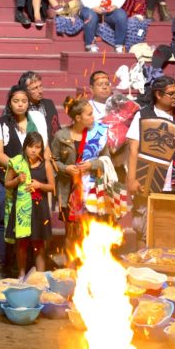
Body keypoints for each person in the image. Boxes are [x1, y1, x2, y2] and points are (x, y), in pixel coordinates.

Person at [127, 76, 175, 239]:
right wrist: (131, 179)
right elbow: (133, 147)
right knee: (144, 229)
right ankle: (142, 264)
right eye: (171, 94)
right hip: (148, 178)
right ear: (158, 95)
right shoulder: (143, 115)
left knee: (174, 228)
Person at [51, 92, 111, 250]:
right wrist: (66, 168)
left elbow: (106, 161)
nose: (94, 117)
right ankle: (70, 269)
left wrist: (92, 165)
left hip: (92, 191)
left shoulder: (97, 135)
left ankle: (90, 266)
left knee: (92, 231)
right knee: (71, 233)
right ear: (78, 118)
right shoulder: (61, 135)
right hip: (68, 191)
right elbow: (52, 161)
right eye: (89, 114)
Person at [0, 86, 32, 269]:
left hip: (30, 183)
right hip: (6, 181)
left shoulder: (34, 123)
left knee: (29, 222)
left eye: (24, 101)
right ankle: (6, 263)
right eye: (16, 101)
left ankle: (27, 264)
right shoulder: (0, 124)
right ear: (9, 103)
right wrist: (20, 168)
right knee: (6, 222)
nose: (20, 105)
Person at [3, 131, 55, 277]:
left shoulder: (46, 165)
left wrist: (39, 185)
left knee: (39, 245)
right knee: (21, 244)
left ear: (42, 148)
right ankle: (21, 275)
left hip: (39, 210)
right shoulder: (17, 163)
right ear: (25, 146)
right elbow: (7, 184)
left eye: (38, 147)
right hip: (21, 210)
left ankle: (40, 277)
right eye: (31, 146)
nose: (34, 150)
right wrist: (17, 180)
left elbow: (52, 187)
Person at [18, 70, 60, 141]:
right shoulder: (19, 108)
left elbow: (56, 129)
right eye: (34, 88)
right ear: (25, 91)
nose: (40, 91)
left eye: (40, 86)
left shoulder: (49, 104)